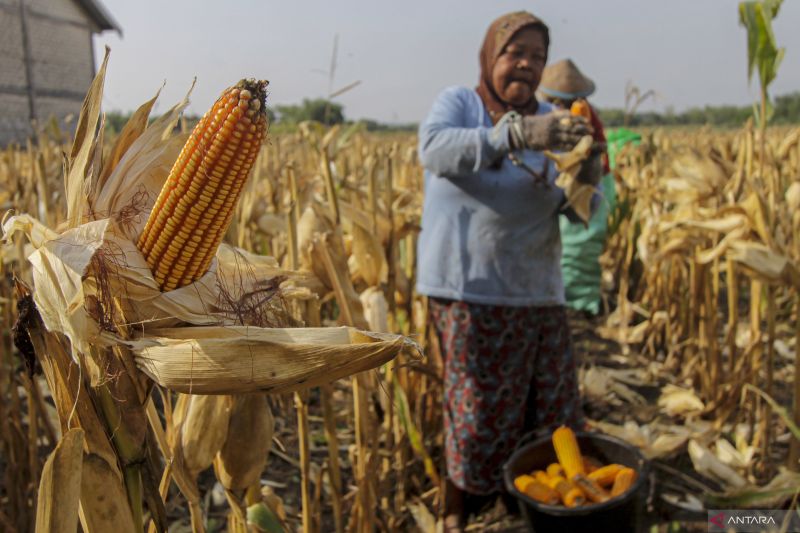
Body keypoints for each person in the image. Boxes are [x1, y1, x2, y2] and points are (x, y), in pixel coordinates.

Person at [415, 11, 603, 531]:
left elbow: (580, 210)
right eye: (514, 52)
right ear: (490, 56)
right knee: (476, 413)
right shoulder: (462, 103)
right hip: (468, 291)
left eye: (537, 56)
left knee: (550, 409)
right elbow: (434, 151)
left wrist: (588, 170)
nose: (525, 64)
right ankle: (459, 506)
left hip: (538, 292)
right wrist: (517, 134)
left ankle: (537, 504)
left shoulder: (558, 122)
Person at [538, 59, 612, 316]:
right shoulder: (543, 116)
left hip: (591, 183)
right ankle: (561, 295)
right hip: (562, 181)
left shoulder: (584, 115)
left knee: (582, 243)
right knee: (564, 244)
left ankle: (581, 302)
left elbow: (589, 154)